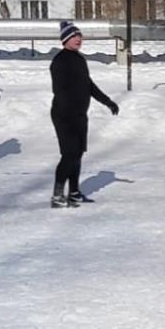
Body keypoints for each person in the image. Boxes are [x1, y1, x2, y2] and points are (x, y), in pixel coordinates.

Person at [50, 20, 118, 209]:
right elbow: (59, 90)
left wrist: (107, 101)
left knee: (77, 154)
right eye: (74, 36)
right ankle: (57, 196)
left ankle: (73, 193)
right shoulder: (60, 61)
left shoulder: (79, 59)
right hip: (64, 115)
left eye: (80, 36)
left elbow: (89, 86)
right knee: (69, 155)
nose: (79, 39)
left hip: (80, 115)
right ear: (65, 39)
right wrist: (69, 111)